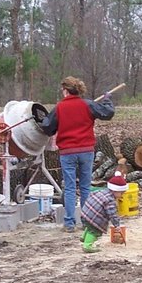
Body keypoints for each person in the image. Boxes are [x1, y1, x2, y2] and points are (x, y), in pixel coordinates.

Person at [40, 76, 115, 232]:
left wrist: (42, 119)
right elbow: (107, 113)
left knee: (69, 188)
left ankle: (69, 223)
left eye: (62, 90)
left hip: (67, 152)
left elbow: (47, 127)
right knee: (85, 187)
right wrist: (107, 99)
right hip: (86, 151)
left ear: (66, 90)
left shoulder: (60, 108)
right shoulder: (88, 105)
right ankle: (87, 221)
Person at [79, 170, 128, 253]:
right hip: (94, 217)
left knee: (90, 226)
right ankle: (87, 245)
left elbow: (91, 195)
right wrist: (117, 225)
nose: (122, 195)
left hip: (85, 212)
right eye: (121, 193)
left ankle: (84, 237)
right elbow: (112, 214)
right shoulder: (110, 200)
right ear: (115, 191)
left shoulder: (101, 191)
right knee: (95, 231)